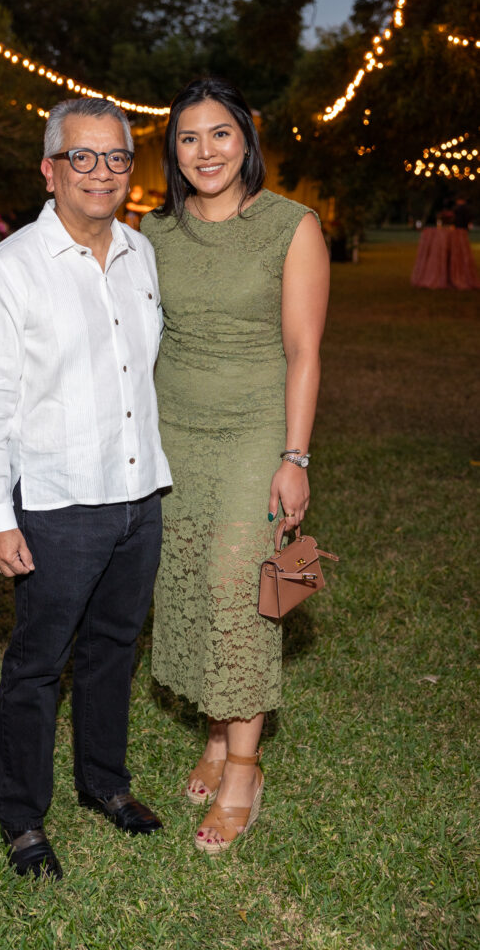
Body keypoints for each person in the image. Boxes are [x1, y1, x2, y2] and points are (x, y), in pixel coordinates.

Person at [0, 97, 172, 881]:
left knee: (114, 648)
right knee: (37, 664)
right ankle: (21, 818)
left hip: (136, 494)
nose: (101, 172)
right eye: (81, 157)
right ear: (49, 170)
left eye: (115, 157)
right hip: (53, 503)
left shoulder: (138, 254)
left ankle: (104, 784)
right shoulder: (11, 267)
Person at [140, 77, 330, 854]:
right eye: (187, 138)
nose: (204, 151)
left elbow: (304, 351)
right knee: (185, 580)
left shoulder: (291, 225)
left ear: (245, 141)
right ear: (172, 152)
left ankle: (244, 769)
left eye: (219, 134)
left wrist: (294, 455)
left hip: (255, 429)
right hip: (170, 431)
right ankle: (217, 737)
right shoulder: (153, 233)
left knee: (236, 587)